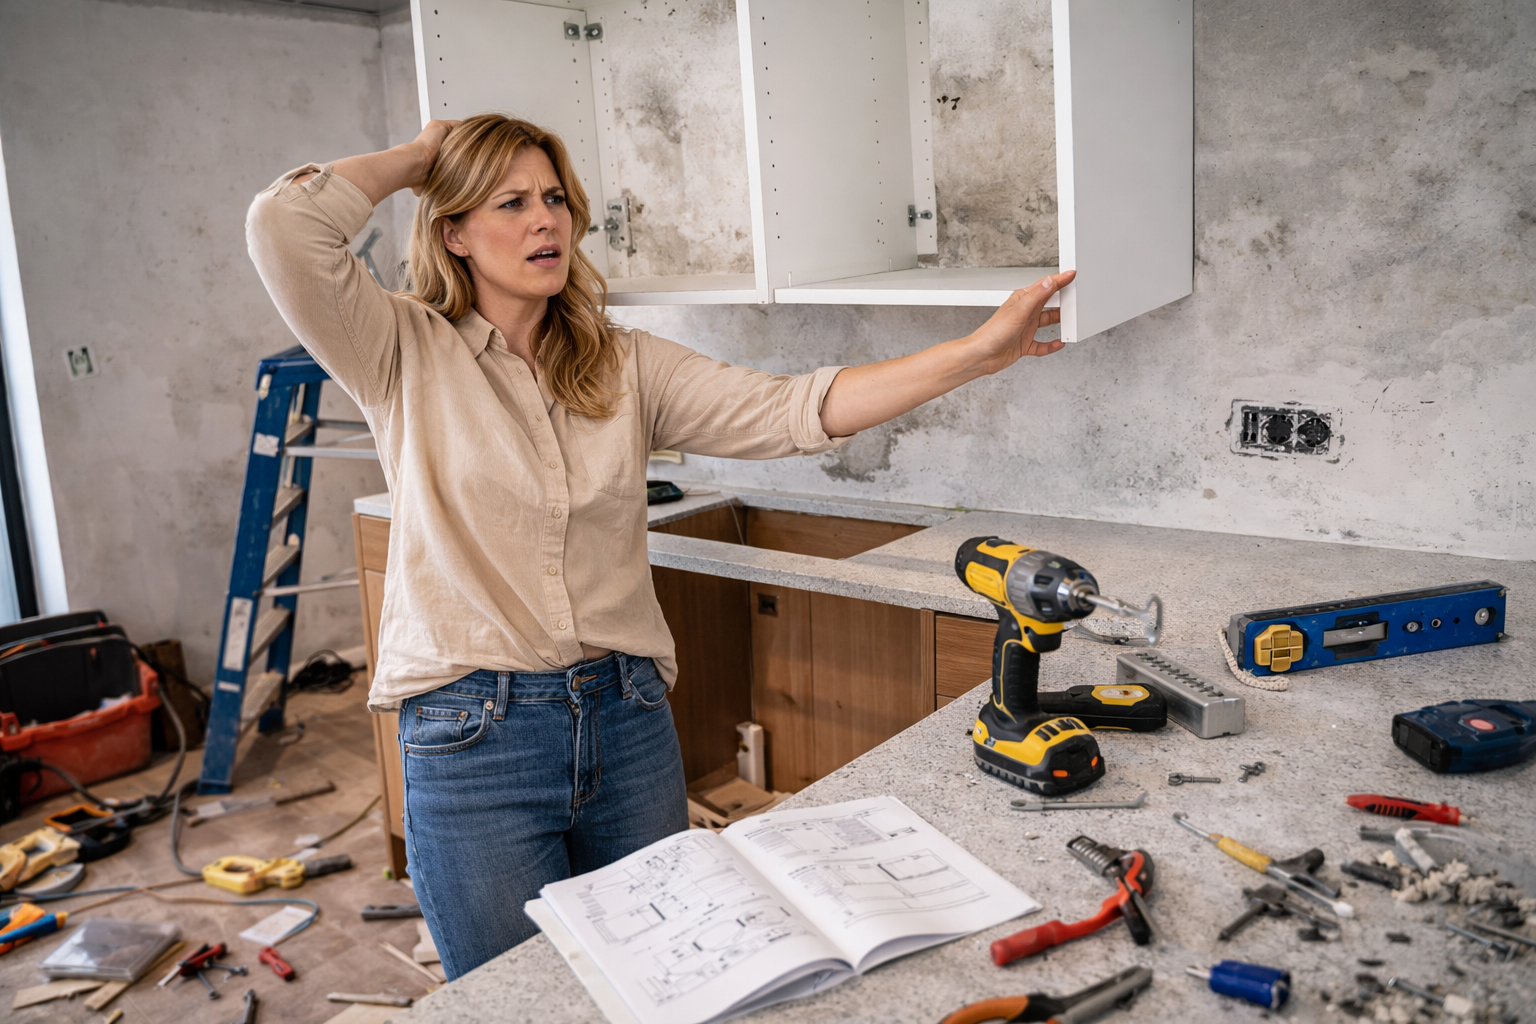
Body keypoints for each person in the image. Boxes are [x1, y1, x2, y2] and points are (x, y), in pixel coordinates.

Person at [247, 113, 1073, 980]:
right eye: (513, 201)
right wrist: (425, 156)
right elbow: (283, 224)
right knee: (517, 998)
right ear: (452, 232)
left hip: (626, 719)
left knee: (663, 979)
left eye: (557, 199)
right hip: (473, 740)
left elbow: (793, 410)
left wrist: (980, 354)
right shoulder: (397, 350)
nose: (547, 221)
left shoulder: (621, 364)